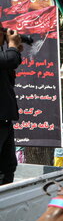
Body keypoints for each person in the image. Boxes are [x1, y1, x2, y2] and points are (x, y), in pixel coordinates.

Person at [0, 24, 22, 184]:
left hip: (4, 121)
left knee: (8, 166)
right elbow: (10, 60)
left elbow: (9, 80)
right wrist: (12, 46)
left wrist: (14, 49)